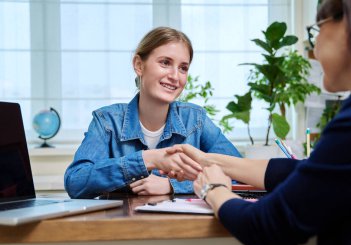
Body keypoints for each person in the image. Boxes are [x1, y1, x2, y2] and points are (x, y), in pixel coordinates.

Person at [165, 0, 351, 245]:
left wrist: (213, 190)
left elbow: (267, 225)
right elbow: (306, 171)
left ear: (349, 24)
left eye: (316, 30)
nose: (315, 47)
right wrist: (209, 161)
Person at [64, 27, 241, 199]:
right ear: (139, 65)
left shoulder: (195, 120)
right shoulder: (107, 122)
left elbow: (239, 174)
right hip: (123, 226)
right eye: (165, 63)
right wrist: (147, 159)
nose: (175, 76)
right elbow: (75, 182)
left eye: (183, 68)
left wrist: (172, 186)